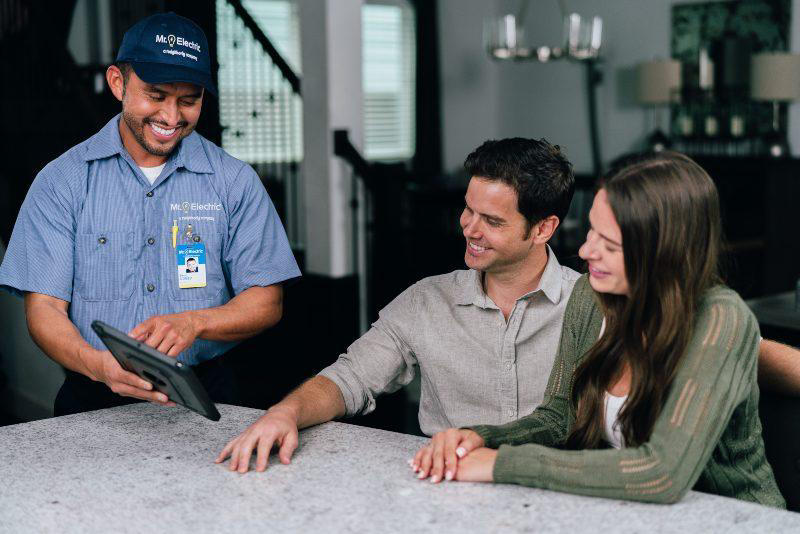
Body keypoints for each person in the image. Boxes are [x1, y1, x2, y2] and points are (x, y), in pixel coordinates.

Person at [216, 140, 799, 474]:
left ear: (544, 227)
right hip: (459, 486)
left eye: (492, 220)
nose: (469, 228)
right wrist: (284, 413)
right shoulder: (428, 300)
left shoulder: (598, 297)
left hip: (571, 492)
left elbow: (724, 340)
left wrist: (748, 356)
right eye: (468, 210)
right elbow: (348, 378)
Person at [411, 152, 785, 508]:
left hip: (738, 519)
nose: (586, 252)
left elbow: (662, 474)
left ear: (663, 251)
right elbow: (558, 417)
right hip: (636, 515)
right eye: (592, 233)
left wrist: (499, 464)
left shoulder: (721, 318)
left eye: (609, 244)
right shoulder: (591, 295)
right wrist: (480, 437)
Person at [0, 12, 300, 415]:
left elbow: (267, 301)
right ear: (118, 83)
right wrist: (98, 365)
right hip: (91, 395)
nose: (171, 118)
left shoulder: (234, 182)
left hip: (206, 392)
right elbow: (45, 309)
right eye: (156, 96)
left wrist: (195, 322)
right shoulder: (62, 182)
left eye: (188, 100)